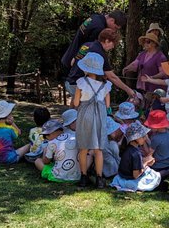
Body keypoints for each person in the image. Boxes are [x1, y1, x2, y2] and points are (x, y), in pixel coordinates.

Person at [65, 28, 136, 102]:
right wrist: (128, 90)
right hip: (80, 86)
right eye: (113, 44)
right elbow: (112, 77)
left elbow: (73, 62)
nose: (113, 47)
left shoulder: (86, 45)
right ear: (107, 41)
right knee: (92, 107)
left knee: (76, 105)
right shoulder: (99, 53)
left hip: (70, 81)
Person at [73, 52, 111, 188]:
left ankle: (83, 177)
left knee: (83, 148)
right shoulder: (106, 85)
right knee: (98, 149)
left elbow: (76, 103)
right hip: (100, 117)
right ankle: (99, 179)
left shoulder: (81, 82)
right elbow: (107, 105)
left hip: (85, 116)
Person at [61, 10, 127, 71]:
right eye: (115, 27)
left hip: (69, 56)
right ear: (112, 20)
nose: (114, 30)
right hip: (75, 63)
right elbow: (91, 48)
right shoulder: (99, 28)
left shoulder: (95, 17)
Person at [109, 122, 161, 192]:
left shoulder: (127, 148)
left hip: (122, 177)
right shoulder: (136, 153)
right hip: (130, 180)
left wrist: (145, 161)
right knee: (155, 175)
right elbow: (136, 175)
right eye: (143, 136)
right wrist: (146, 163)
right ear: (136, 138)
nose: (145, 138)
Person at [144, 110, 169, 178]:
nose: (149, 127)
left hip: (158, 166)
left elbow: (149, 154)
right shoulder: (168, 133)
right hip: (168, 163)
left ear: (157, 126)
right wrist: (147, 139)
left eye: (151, 126)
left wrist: (143, 142)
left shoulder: (156, 138)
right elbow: (155, 144)